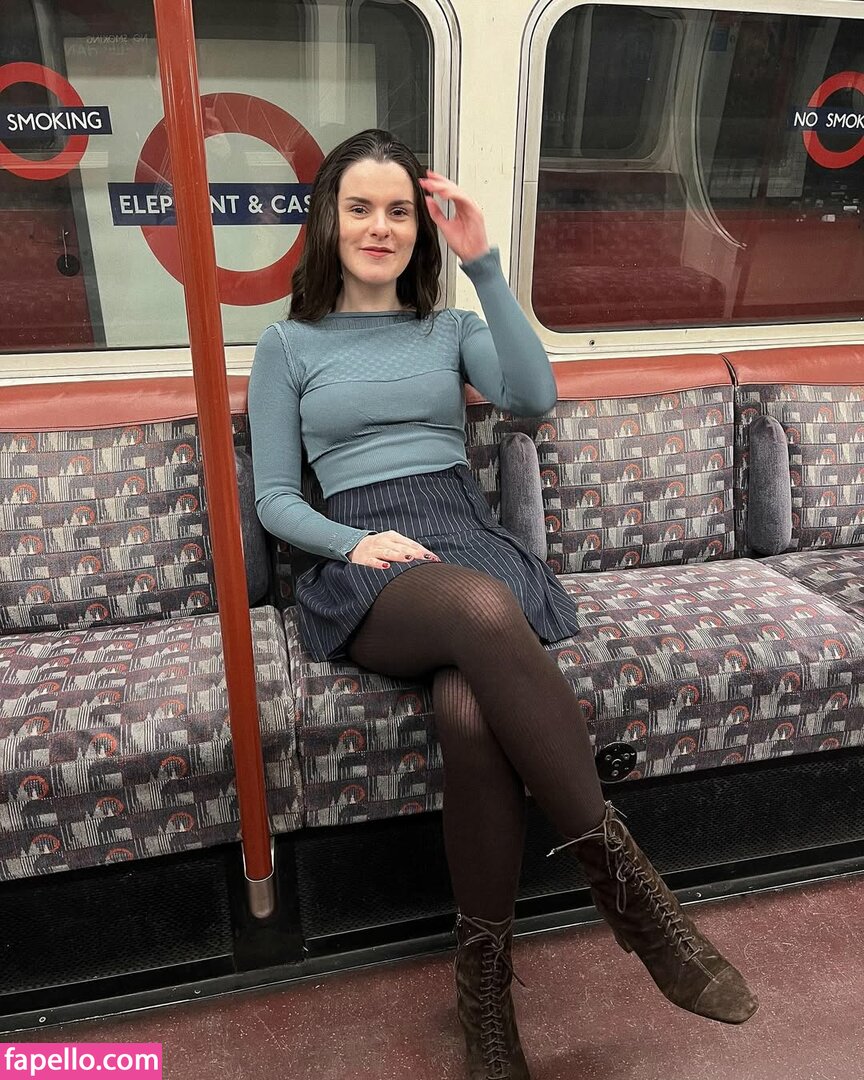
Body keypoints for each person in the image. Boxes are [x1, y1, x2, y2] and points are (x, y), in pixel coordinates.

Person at [248, 129, 758, 1080]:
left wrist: (484, 263)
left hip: (463, 533)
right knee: (482, 613)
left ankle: (484, 996)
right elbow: (276, 497)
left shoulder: (447, 328)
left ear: (419, 228)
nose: (379, 227)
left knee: (468, 708)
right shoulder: (288, 345)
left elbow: (535, 393)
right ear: (328, 221)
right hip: (370, 555)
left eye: (399, 210)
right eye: (359, 207)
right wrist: (351, 542)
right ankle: (638, 905)